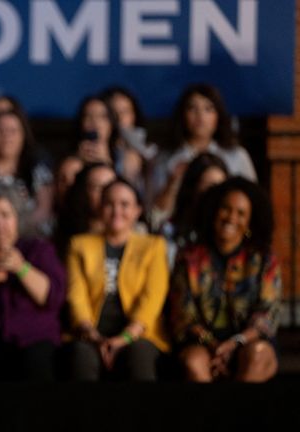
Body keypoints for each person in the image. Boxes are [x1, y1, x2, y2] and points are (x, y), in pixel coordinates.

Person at [168, 177, 280, 382]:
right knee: (194, 362)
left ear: (250, 221)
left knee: (257, 354)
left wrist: (235, 342)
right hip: (202, 343)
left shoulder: (263, 259)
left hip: (249, 342)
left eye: (241, 213)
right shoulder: (189, 258)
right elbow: (183, 316)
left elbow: (266, 315)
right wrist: (215, 346)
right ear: (213, 212)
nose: (231, 218)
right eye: (225, 209)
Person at [66, 178, 169, 381]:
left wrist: (124, 338)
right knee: (81, 355)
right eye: (109, 204)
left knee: (139, 354)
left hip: (138, 334)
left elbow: (152, 299)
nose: (116, 211)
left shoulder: (154, 246)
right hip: (91, 333)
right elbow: (76, 295)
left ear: (137, 210)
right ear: (100, 208)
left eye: (125, 204)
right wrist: (93, 336)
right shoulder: (79, 245)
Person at [0, 185, 66, 382]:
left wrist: (21, 267)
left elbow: (54, 297)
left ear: (18, 219)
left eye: (5, 215)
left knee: (37, 363)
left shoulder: (38, 249)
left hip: (33, 338)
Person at [153, 83, 257, 217]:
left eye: (208, 109)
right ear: (183, 114)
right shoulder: (166, 157)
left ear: (218, 115)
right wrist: (172, 183)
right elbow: (156, 213)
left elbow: (252, 203)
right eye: (192, 108)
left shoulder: (237, 156)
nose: (200, 116)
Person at [0, 108, 54, 236]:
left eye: (13, 131)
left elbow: (44, 211)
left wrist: (14, 231)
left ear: (24, 135)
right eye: (0, 130)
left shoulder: (37, 170)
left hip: (30, 238)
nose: (6, 136)